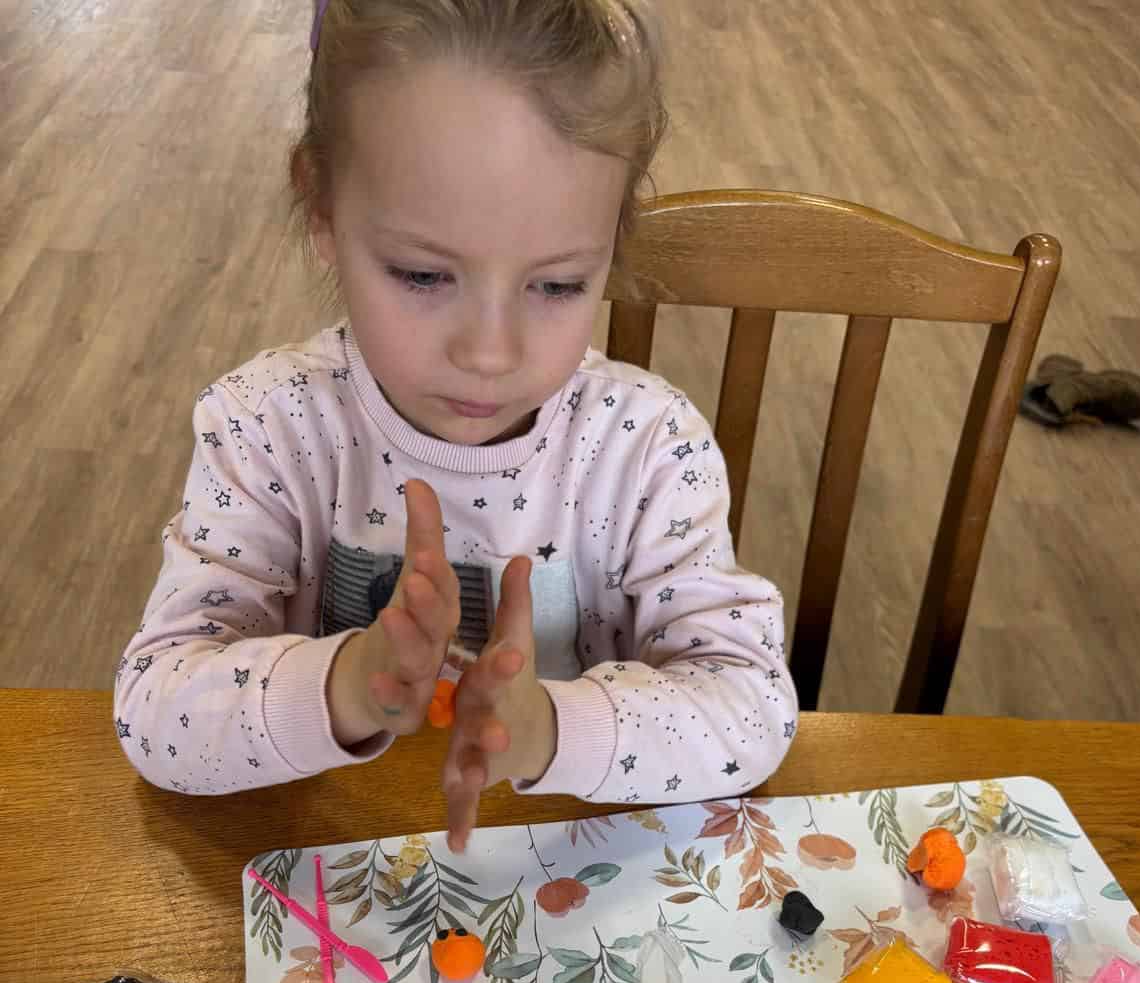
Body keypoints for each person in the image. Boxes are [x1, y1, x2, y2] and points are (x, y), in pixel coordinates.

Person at [114, 0, 797, 849]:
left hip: (563, 877)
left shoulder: (649, 449)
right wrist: (349, 684)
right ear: (320, 205)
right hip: (335, 863)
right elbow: (155, 714)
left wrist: (548, 730)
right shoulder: (268, 428)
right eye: (422, 274)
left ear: (611, 241)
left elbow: (753, 711)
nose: (488, 353)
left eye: (556, 286)